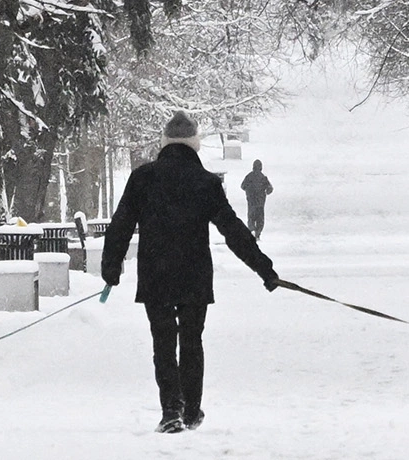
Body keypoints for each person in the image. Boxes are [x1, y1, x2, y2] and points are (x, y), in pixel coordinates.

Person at [102, 111, 280, 434]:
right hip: (193, 274)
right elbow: (232, 229)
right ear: (194, 143)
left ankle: (171, 409)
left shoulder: (143, 178)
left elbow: (121, 225)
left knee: (163, 342)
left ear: (165, 142)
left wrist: (111, 267)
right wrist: (264, 269)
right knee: (191, 341)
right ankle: (192, 409)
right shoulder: (206, 182)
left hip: (155, 273)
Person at [239, 159, 274, 239]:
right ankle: (258, 233)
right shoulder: (263, 177)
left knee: (251, 216)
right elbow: (270, 188)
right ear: (261, 167)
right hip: (260, 202)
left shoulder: (249, 176)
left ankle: (252, 229)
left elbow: (242, 186)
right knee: (260, 218)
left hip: (251, 200)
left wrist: (248, 191)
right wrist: (265, 192)